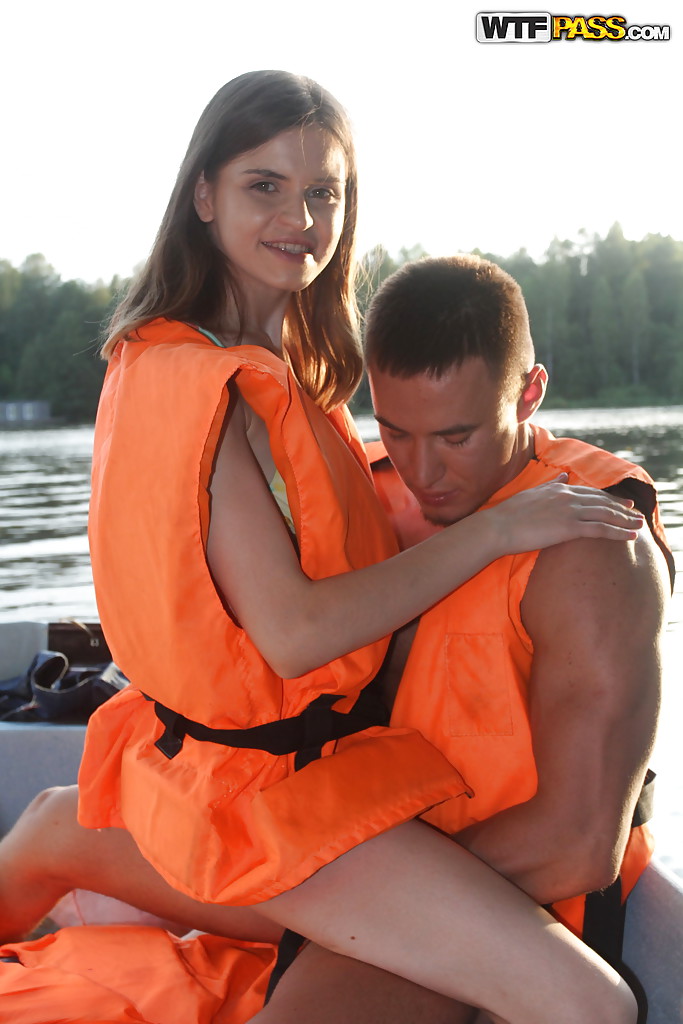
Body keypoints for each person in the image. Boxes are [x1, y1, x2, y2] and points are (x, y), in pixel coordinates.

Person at [0, 73, 642, 1024]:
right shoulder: (208, 386)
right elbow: (296, 635)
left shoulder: (280, 373)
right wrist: (503, 528)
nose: (299, 219)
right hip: (259, 802)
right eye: (264, 185)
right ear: (203, 194)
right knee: (592, 1006)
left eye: (323, 192)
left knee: (57, 824)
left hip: (251, 776)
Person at [254, 254, 673, 1024]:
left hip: (515, 895)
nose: (422, 470)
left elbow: (577, 844)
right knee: (60, 825)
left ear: (530, 393)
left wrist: (361, 905)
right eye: (395, 431)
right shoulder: (365, 499)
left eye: (457, 436)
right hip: (345, 850)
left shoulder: (593, 551)